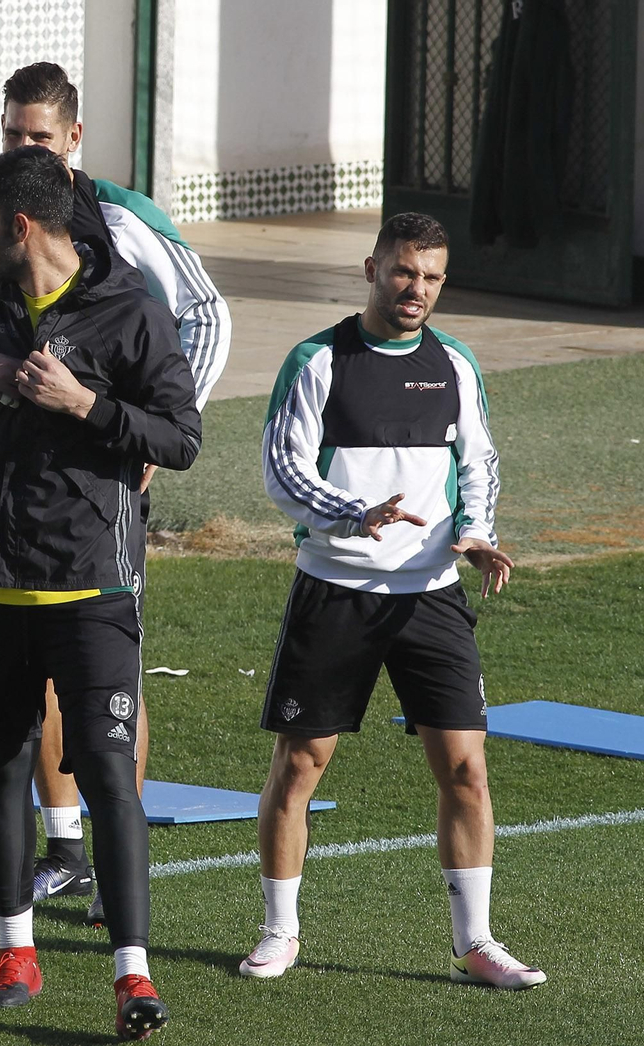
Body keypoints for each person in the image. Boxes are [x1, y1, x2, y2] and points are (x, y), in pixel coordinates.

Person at [0, 145, 200, 1041]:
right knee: (2, 768)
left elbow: (182, 437)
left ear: (21, 226)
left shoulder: (131, 316)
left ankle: (133, 977)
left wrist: (87, 407)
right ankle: (15, 950)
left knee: (110, 774)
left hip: (92, 586)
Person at [0, 62, 231, 912]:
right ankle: (63, 843)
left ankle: (112, 850)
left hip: (103, 484)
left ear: (74, 138)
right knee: (25, 671)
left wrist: (136, 425)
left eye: (39, 135)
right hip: (7, 492)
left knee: (105, 665)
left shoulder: (127, 221)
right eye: (12, 135)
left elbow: (206, 316)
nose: (25, 147)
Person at [243, 211, 542, 990]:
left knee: (467, 771)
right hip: (336, 589)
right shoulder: (318, 360)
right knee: (301, 763)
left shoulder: (456, 364)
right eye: (405, 272)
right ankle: (280, 932)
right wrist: (351, 513)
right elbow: (283, 468)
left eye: (433, 277)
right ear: (371, 268)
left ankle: (476, 942)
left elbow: (480, 463)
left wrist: (476, 531)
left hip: (432, 596)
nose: (418, 290)